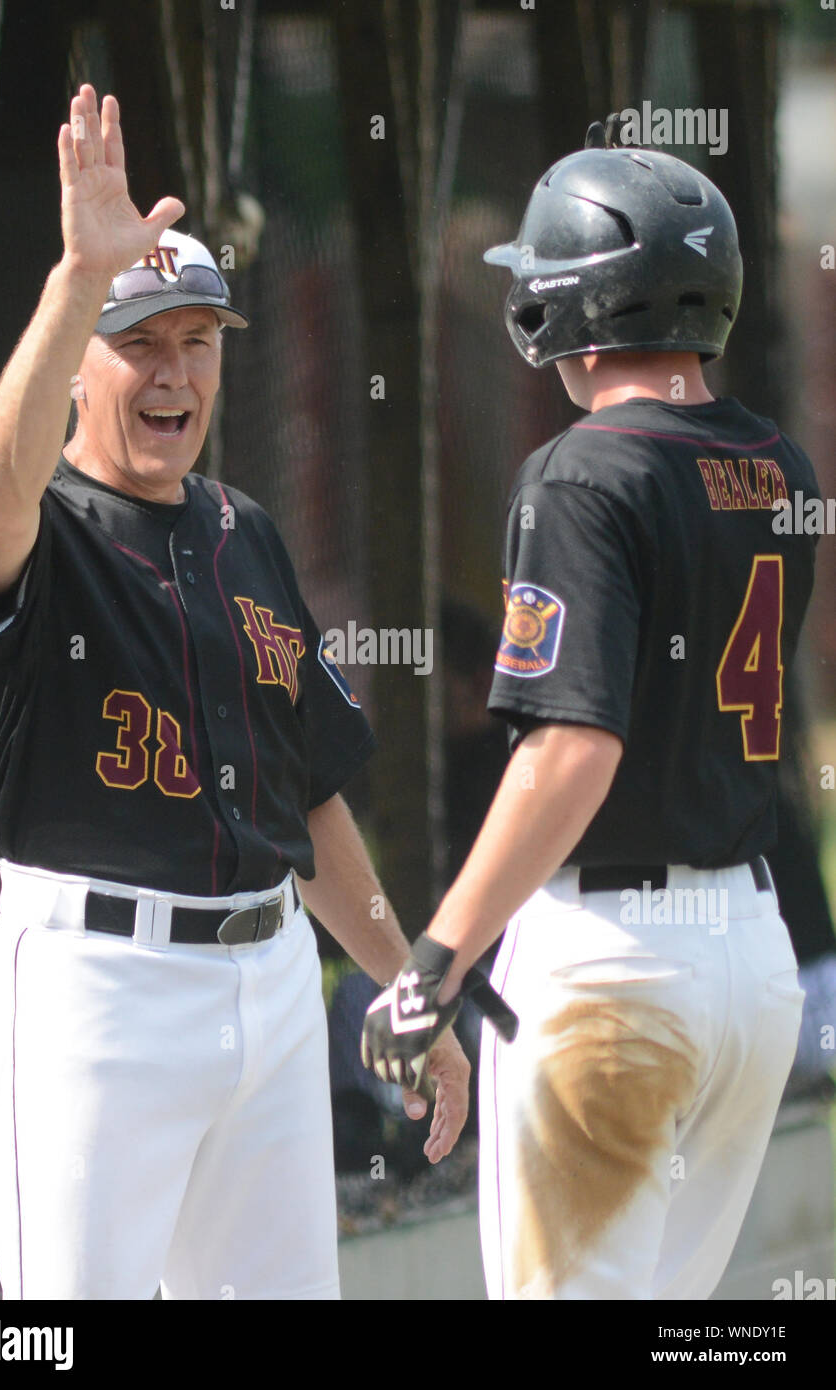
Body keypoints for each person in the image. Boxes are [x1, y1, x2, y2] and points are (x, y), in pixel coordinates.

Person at [0, 83, 468, 1301]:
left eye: (199, 339)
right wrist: (79, 281)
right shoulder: (46, 533)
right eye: (138, 343)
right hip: (95, 995)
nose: (173, 372)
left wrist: (404, 987)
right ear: (79, 367)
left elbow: (308, 796)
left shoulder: (246, 533)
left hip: (272, 984)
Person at [362, 117, 821, 1300]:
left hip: (614, 968)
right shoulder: (777, 466)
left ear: (580, 301)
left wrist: (436, 960)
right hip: (751, 964)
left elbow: (571, 748)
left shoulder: (581, 468)